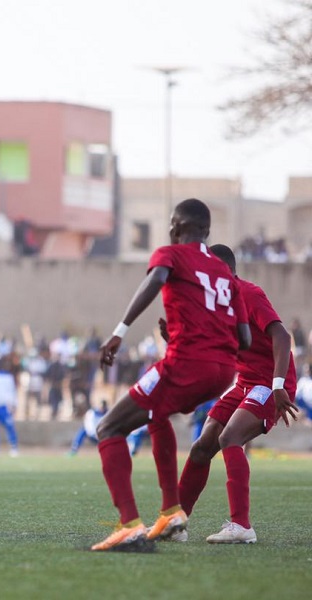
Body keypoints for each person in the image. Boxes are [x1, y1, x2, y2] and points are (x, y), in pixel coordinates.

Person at [90, 198, 251, 552]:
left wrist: (120, 331)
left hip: (187, 364)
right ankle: (170, 511)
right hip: (223, 373)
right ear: (207, 231)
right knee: (156, 413)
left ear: (175, 227)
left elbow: (156, 279)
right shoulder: (226, 274)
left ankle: (129, 524)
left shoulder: (171, 254)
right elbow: (245, 339)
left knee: (108, 428)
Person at [176, 244, 298, 544]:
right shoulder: (214, 304)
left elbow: (282, 336)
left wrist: (278, 385)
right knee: (202, 446)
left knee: (230, 437)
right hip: (245, 382)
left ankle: (241, 526)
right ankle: (174, 523)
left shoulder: (248, 293)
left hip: (270, 382)